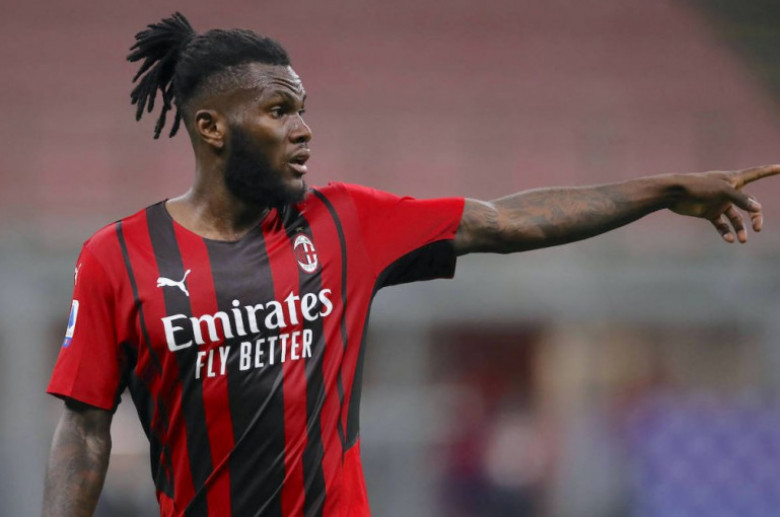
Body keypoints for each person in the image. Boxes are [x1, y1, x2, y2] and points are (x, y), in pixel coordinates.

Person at [41, 11, 778, 517]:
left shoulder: (342, 221)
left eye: (303, 109)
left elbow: (505, 220)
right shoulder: (117, 257)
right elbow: (85, 428)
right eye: (279, 111)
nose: (304, 130)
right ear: (211, 128)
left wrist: (664, 191)